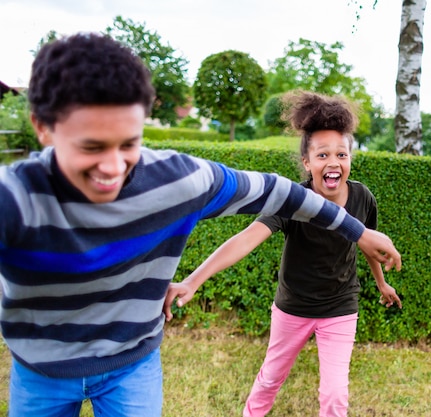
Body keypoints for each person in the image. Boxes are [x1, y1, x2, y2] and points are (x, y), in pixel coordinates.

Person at [0, 34, 401, 417]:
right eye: (89, 146)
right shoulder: (13, 201)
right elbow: (258, 227)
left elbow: (279, 192)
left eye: (128, 143)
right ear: (43, 126)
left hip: (130, 367)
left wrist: (359, 232)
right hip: (42, 373)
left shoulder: (176, 180)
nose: (111, 168)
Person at [164, 90, 403, 417]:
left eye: (341, 155)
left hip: (340, 307)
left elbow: (370, 247)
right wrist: (192, 281)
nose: (333, 162)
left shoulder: (363, 198)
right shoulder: (293, 202)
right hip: (293, 307)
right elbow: (245, 239)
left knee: (334, 396)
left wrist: (381, 284)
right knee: (270, 380)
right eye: (322, 155)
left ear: (350, 158)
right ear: (306, 163)